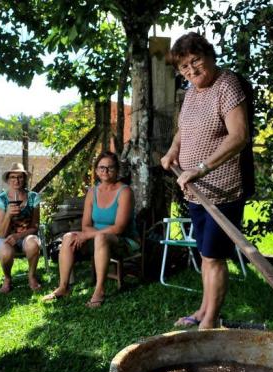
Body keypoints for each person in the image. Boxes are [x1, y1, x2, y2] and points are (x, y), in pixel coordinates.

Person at [160, 32, 250, 329]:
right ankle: (202, 310)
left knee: (214, 256)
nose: (191, 70)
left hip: (222, 190)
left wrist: (200, 168)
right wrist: (173, 151)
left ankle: (210, 320)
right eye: (184, 67)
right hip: (195, 190)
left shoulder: (227, 84)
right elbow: (183, 130)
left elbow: (238, 136)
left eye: (195, 61)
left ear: (210, 55)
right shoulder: (191, 92)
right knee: (205, 254)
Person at [43, 152, 139, 308]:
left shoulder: (125, 192)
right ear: (96, 170)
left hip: (124, 241)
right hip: (96, 239)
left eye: (110, 167)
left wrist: (88, 235)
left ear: (117, 170)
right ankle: (63, 287)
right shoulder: (92, 192)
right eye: (102, 167)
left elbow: (118, 228)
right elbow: (86, 224)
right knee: (68, 237)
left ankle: (100, 290)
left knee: (101, 238)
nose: (105, 171)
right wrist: (86, 235)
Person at [0, 162, 42, 293]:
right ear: (8, 180)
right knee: (6, 251)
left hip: (25, 237)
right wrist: (8, 214)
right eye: (13, 177)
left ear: (24, 179)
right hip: (4, 238)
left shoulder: (33, 197)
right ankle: (8, 278)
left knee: (33, 243)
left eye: (20, 177)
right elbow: (1, 233)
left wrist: (19, 235)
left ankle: (31, 276)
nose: (16, 180)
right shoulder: (1, 199)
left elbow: (35, 227)